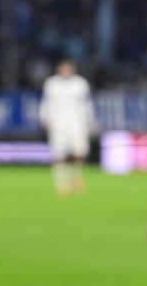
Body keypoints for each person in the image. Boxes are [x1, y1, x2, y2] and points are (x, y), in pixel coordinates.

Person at [39, 59, 96, 196]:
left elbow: (87, 104)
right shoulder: (52, 83)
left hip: (77, 122)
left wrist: (91, 122)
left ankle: (76, 177)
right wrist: (44, 118)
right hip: (58, 122)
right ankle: (61, 181)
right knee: (58, 152)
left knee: (80, 151)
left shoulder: (80, 83)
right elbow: (46, 103)